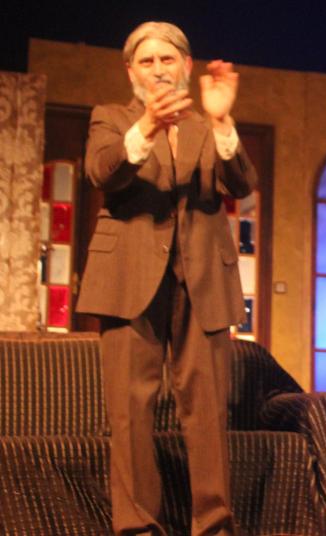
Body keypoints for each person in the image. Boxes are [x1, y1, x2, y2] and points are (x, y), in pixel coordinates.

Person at [76, 21, 257, 535]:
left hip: (203, 279)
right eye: (147, 61)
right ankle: (136, 528)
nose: (158, 69)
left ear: (187, 66)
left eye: (168, 59)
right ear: (130, 71)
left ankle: (214, 525)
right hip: (128, 279)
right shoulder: (111, 118)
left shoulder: (206, 125)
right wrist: (149, 126)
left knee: (207, 410)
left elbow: (242, 183)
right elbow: (102, 172)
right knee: (130, 410)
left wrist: (222, 122)